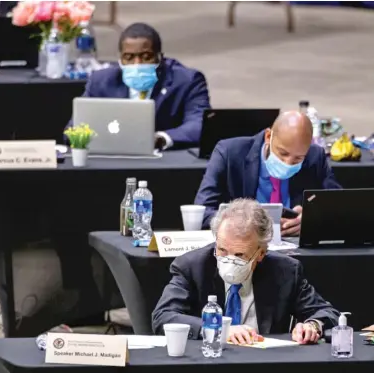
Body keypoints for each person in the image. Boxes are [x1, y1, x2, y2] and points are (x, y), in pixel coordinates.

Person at [152, 199, 339, 345]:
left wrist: (312, 325)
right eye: (222, 250)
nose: (229, 259)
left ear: (261, 253)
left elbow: (327, 312)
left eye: (240, 254)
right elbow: (163, 316)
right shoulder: (193, 266)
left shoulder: (285, 270)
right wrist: (217, 329)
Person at [194, 111, 341, 235]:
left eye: (298, 158)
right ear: (268, 136)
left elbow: (340, 205)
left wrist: (311, 220)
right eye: (283, 153)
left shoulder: (315, 157)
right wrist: (249, 224)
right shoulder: (229, 153)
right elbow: (202, 213)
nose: (288, 163)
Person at [68, 22, 210, 150]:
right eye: (129, 57)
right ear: (120, 59)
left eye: (146, 56)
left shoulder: (188, 81)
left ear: (160, 57)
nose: (137, 64)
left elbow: (200, 125)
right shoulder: (101, 81)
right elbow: (74, 128)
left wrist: (161, 138)